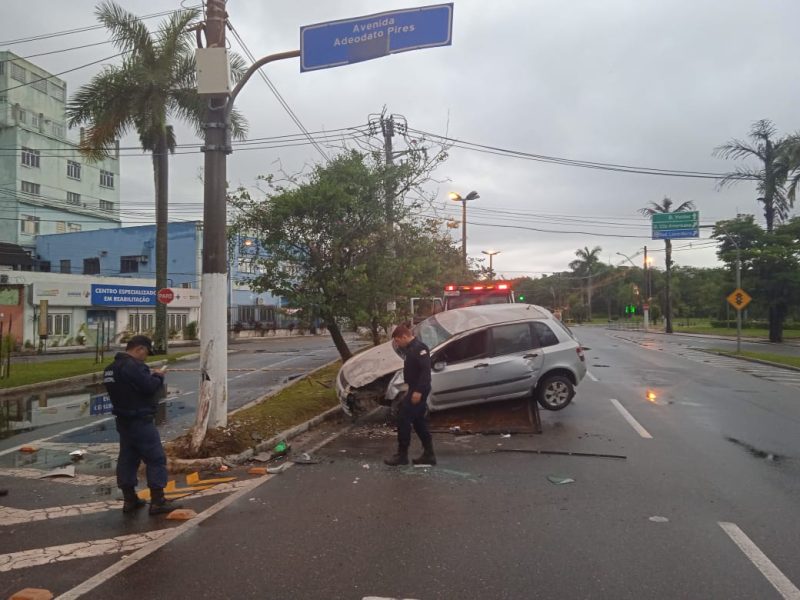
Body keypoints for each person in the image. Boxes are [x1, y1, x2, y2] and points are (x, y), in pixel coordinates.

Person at [103, 335, 181, 515]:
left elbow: (132, 386)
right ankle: (158, 501)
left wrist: (147, 374)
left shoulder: (110, 369)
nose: (145, 358)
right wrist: (158, 377)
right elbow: (148, 387)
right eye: (145, 353)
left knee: (128, 459)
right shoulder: (133, 366)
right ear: (139, 349)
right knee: (155, 458)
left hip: (123, 421)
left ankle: (129, 499)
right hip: (140, 419)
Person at [384, 324, 436, 467]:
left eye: (398, 341)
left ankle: (402, 456)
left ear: (404, 336)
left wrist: (418, 391)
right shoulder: (410, 349)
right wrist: (410, 388)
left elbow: (425, 373)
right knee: (419, 423)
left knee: (403, 420)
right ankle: (429, 455)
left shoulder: (420, 348)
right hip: (413, 389)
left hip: (419, 390)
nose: (398, 344)